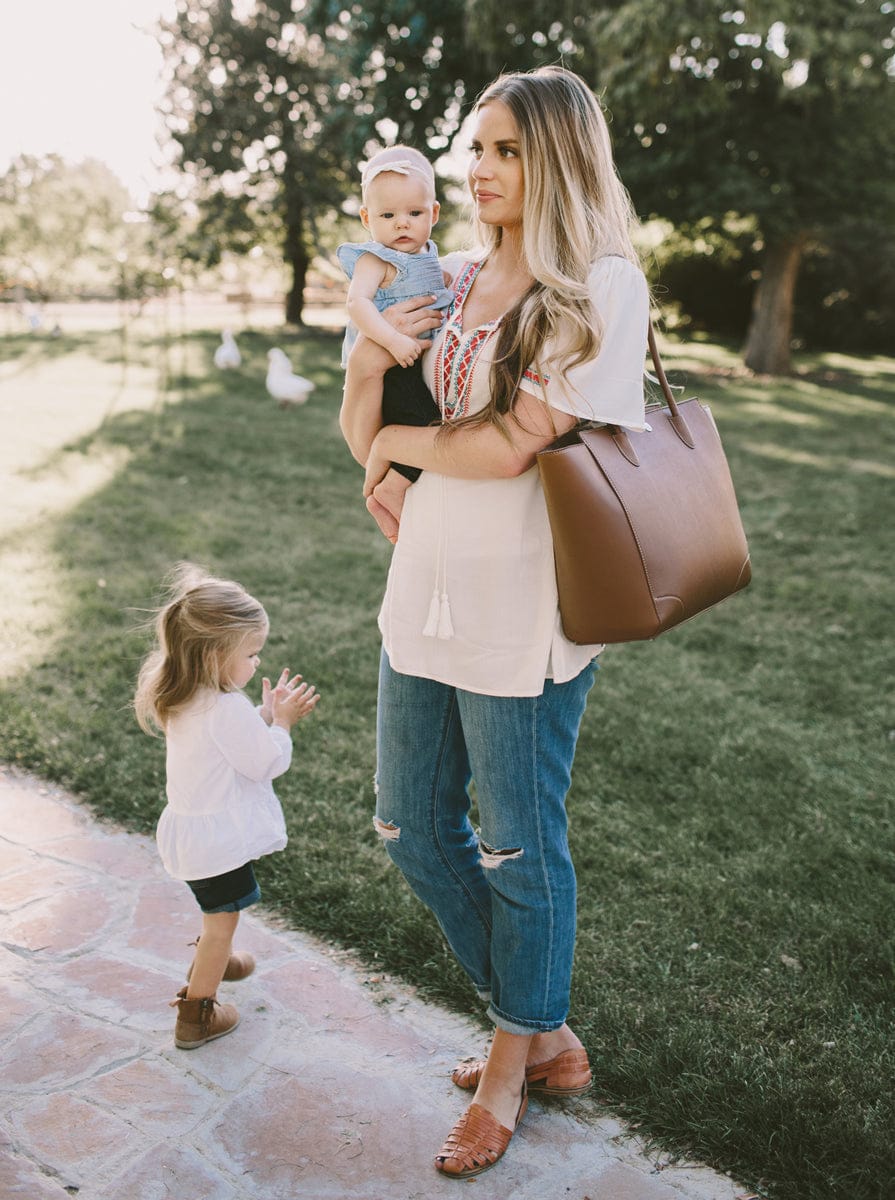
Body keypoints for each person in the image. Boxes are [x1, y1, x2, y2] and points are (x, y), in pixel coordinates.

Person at [340, 66, 650, 1179]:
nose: (477, 171)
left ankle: (515, 1055)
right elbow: (365, 405)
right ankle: (547, 1023)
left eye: (508, 150)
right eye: (475, 147)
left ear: (559, 159)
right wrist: (369, 409)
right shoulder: (451, 274)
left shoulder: (598, 288)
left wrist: (393, 448)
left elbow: (509, 444)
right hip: (422, 586)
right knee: (410, 829)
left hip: (528, 607)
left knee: (519, 845)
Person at [133, 564, 319, 1049]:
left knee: (217, 911)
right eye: (251, 653)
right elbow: (264, 764)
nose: (257, 663)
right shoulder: (225, 707)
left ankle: (215, 959)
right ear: (216, 654)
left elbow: (226, 747)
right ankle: (197, 1014)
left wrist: (260, 715)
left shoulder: (184, 693)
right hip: (215, 843)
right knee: (223, 920)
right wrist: (282, 724)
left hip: (193, 835)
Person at [337, 144, 453, 543]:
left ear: (433, 214)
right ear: (368, 219)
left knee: (425, 425)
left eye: (414, 214)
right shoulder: (377, 258)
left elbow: (435, 285)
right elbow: (357, 303)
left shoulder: (429, 255)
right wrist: (389, 340)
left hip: (407, 360)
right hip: (393, 368)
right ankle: (391, 491)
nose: (401, 224)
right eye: (387, 216)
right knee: (427, 424)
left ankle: (395, 486)